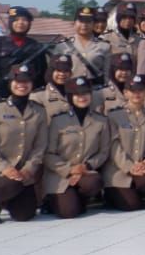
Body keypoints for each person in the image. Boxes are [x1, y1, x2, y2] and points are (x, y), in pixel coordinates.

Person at [0, 62, 47, 224]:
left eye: (26, 81)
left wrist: (29, 168)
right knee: (10, 185)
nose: (22, 85)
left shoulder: (38, 111)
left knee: (25, 215)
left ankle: (5, 199)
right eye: (18, 81)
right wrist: (4, 168)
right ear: (10, 83)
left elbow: (40, 146)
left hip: (23, 173)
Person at [42, 76, 109, 218]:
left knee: (94, 182)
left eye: (85, 93)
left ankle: (80, 197)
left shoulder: (101, 121)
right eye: (77, 94)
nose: (82, 97)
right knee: (69, 212)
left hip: (85, 173)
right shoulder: (58, 120)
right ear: (70, 96)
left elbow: (104, 152)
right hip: (60, 174)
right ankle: (53, 198)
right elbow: (49, 154)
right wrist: (69, 170)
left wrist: (87, 167)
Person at [104, 76, 145, 211]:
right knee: (132, 205)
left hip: (143, 166)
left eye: (141, 90)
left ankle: (137, 191)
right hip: (119, 169)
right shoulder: (114, 115)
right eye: (132, 90)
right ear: (125, 93)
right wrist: (130, 167)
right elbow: (114, 146)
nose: (137, 94)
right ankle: (111, 194)